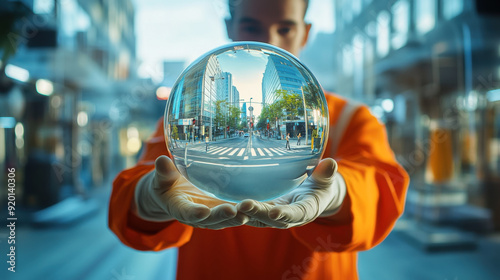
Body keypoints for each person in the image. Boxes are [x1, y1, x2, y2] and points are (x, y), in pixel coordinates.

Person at [108, 0, 409, 279]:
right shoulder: (182, 116)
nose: (270, 42)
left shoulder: (349, 119)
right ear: (230, 26)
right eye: (252, 27)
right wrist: (147, 197)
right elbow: (131, 196)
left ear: (306, 33)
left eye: (285, 28)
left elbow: (380, 186)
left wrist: (338, 193)